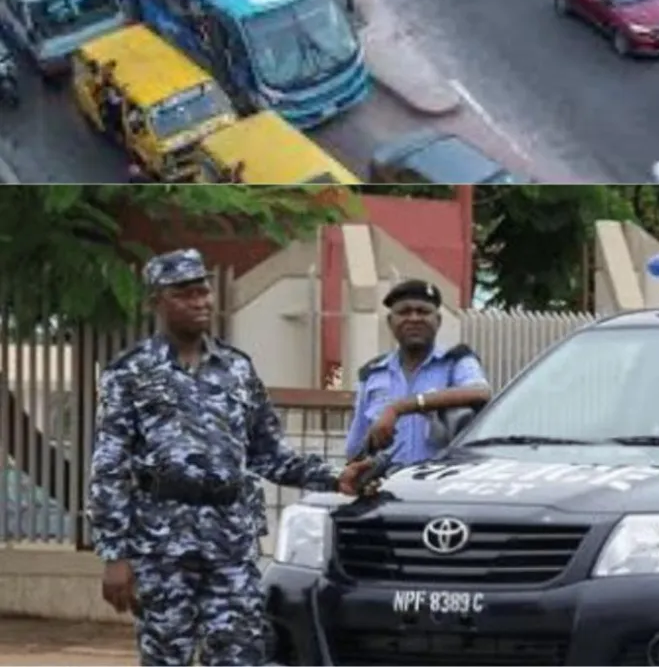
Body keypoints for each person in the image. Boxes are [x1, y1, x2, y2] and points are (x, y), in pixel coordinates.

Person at [88, 249, 374, 667]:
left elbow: (270, 454)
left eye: (203, 291)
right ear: (156, 302)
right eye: (184, 294)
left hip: (230, 546)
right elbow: (109, 467)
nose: (200, 301)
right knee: (166, 658)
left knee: (241, 656)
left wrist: (336, 478)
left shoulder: (237, 369)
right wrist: (114, 554)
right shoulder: (129, 373)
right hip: (162, 548)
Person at [346, 278, 492, 468]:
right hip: (386, 481)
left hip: (441, 479)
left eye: (423, 311)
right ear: (390, 322)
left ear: (438, 321)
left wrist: (399, 407)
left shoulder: (456, 360)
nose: (414, 318)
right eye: (404, 312)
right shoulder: (372, 374)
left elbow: (480, 392)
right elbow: (355, 448)